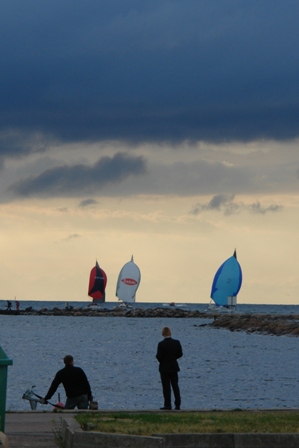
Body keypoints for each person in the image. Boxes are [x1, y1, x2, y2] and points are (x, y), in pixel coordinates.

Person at [156, 326, 183, 410]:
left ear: (162, 334)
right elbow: (180, 354)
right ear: (170, 333)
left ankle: (167, 404)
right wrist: (173, 358)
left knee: (166, 387)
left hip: (164, 367)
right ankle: (177, 404)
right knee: (175, 386)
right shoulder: (176, 342)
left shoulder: (161, 344)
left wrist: (163, 361)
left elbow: (158, 356)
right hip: (174, 366)